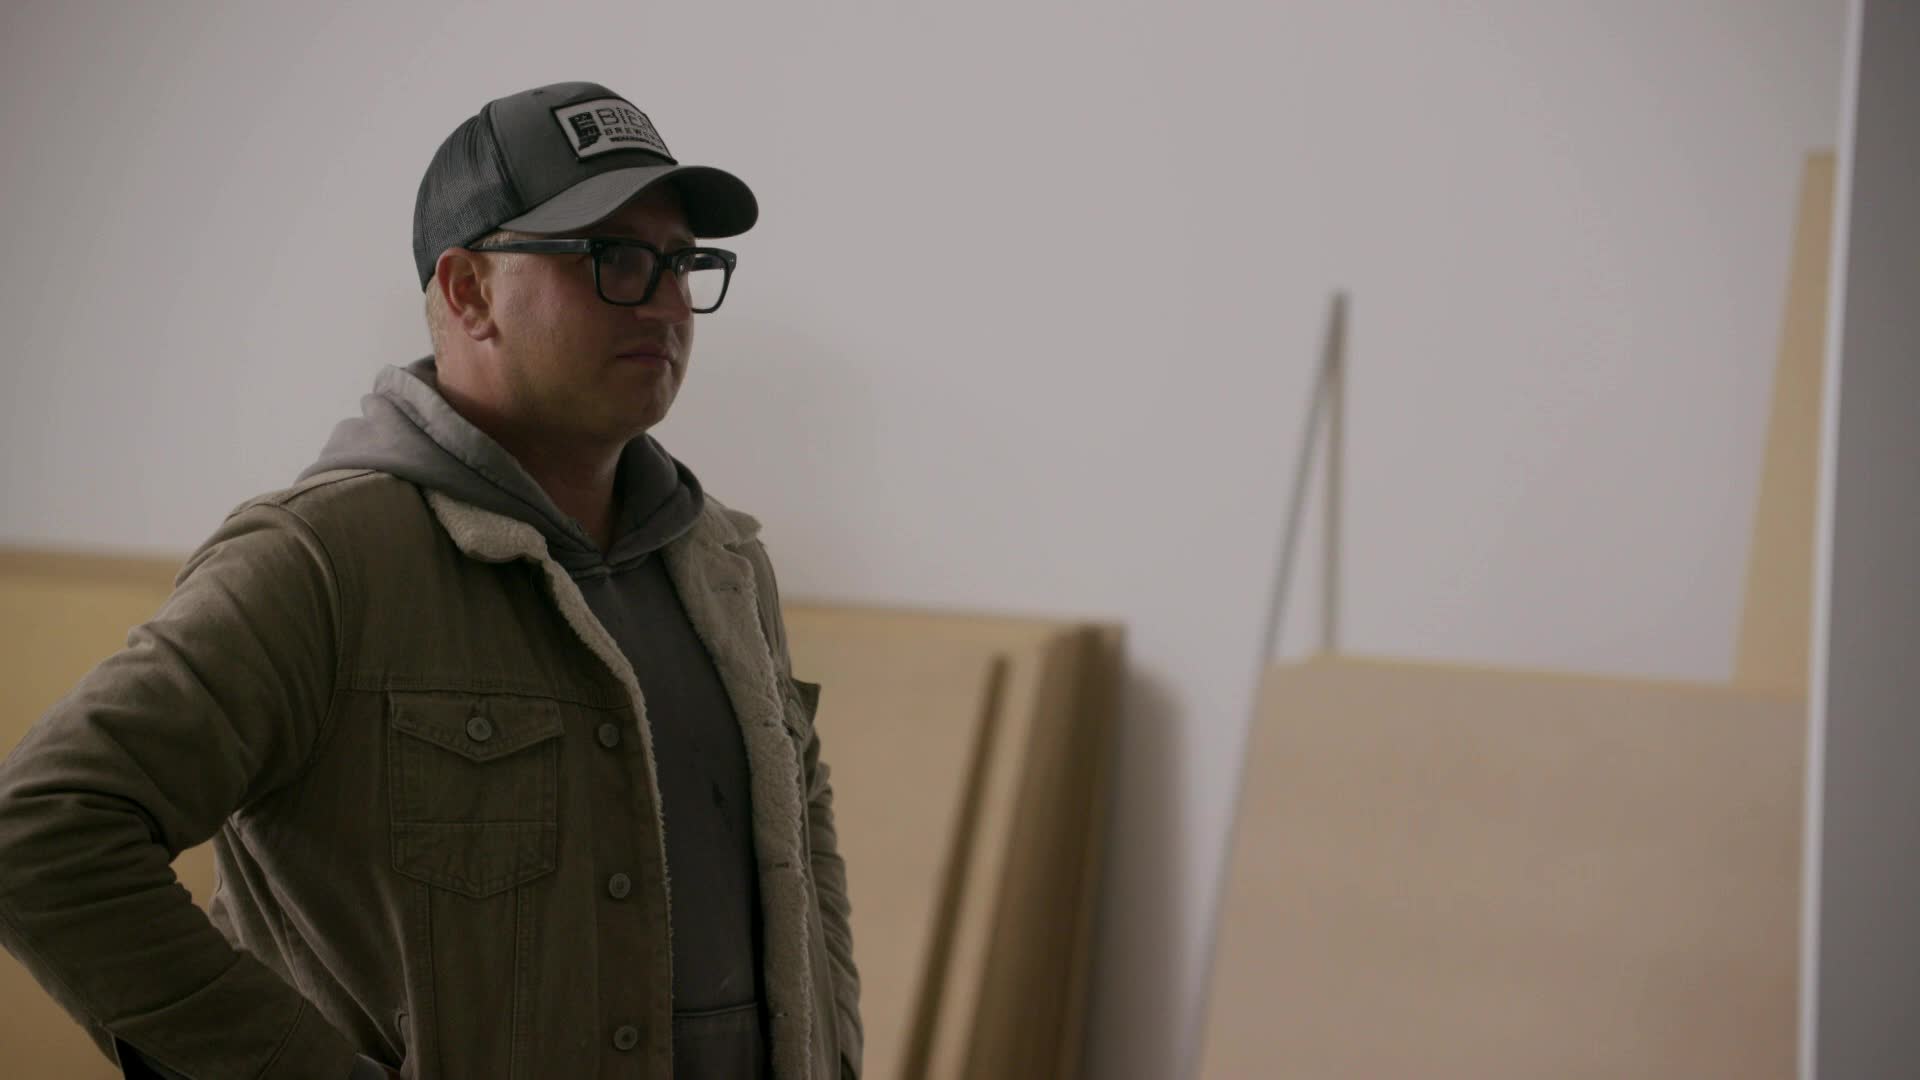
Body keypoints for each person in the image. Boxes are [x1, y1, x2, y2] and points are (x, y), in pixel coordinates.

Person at [0, 80, 861, 1080]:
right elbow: (42, 834)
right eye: (616, 258)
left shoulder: (724, 564)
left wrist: (835, 1048)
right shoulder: (321, 561)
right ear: (468, 291)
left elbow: (803, 843)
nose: (669, 304)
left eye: (682, 263)